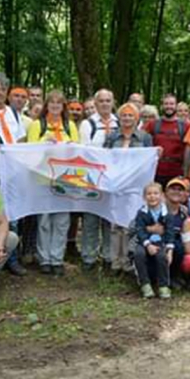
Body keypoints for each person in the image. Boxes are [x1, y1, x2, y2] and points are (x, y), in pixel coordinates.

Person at [29, 90, 80, 276]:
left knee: (61, 221)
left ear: (63, 106)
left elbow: (78, 151)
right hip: (42, 179)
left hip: (65, 180)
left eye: (59, 103)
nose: (56, 106)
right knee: (44, 220)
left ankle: (57, 258)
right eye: (52, 102)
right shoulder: (37, 125)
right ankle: (44, 259)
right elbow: (29, 151)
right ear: (46, 105)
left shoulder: (70, 126)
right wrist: (45, 141)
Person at [104, 103, 153, 274]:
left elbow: (149, 161)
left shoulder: (144, 137)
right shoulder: (111, 137)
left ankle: (126, 261)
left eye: (130, 115)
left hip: (135, 186)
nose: (127, 118)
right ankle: (114, 261)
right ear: (119, 117)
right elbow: (104, 159)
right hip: (116, 185)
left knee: (129, 224)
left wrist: (156, 153)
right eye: (124, 115)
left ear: (136, 118)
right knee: (115, 224)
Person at [79, 89, 119, 270]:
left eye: (108, 100)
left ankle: (109, 256)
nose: (104, 104)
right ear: (95, 104)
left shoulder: (121, 122)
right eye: (101, 101)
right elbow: (84, 152)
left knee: (110, 220)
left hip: (114, 179)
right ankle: (89, 256)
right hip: (92, 179)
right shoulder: (88, 124)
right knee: (90, 220)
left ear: (113, 102)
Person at [133, 183, 173, 299]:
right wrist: (148, 245)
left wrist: (170, 250)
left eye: (156, 193)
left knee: (162, 257)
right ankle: (145, 284)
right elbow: (139, 230)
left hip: (161, 242)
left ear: (162, 196)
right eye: (149, 194)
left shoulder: (167, 214)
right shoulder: (141, 213)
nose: (152, 196)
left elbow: (170, 232)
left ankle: (163, 285)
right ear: (144, 197)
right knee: (139, 254)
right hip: (144, 242)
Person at [144, 93, 189, 188]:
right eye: (166, 104)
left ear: (176, 106)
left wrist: (186, 172)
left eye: (172, 104)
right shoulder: (153, 125)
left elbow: (188, 149)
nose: (169, 107)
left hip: (176, 172)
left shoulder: (184, 126)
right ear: (162, 106)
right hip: (156, 171)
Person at [164, 177, 190, 283]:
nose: (176, 191)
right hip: (160, 239)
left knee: (180, 247)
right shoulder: (158, 208)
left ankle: (175, 276)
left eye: (180, 189)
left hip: (177, 240)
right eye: (173, 189)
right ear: (166, 192)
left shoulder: (184, 211)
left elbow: (186, 231)